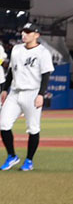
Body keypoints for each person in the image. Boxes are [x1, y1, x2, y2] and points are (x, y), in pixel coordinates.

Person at [0, 23, 54, 171]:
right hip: (15, 92)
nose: (24, 34)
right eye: (23, 31)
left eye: (28, 32)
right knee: (3, 124)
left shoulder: (43, 52)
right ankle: (12, 156)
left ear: (37, 35)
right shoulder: (16, 49)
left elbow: (46, 75)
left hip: (33, 92)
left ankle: (29, 161)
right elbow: (11, 70)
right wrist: (5, 90)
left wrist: (41, 95)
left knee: (33, 128)